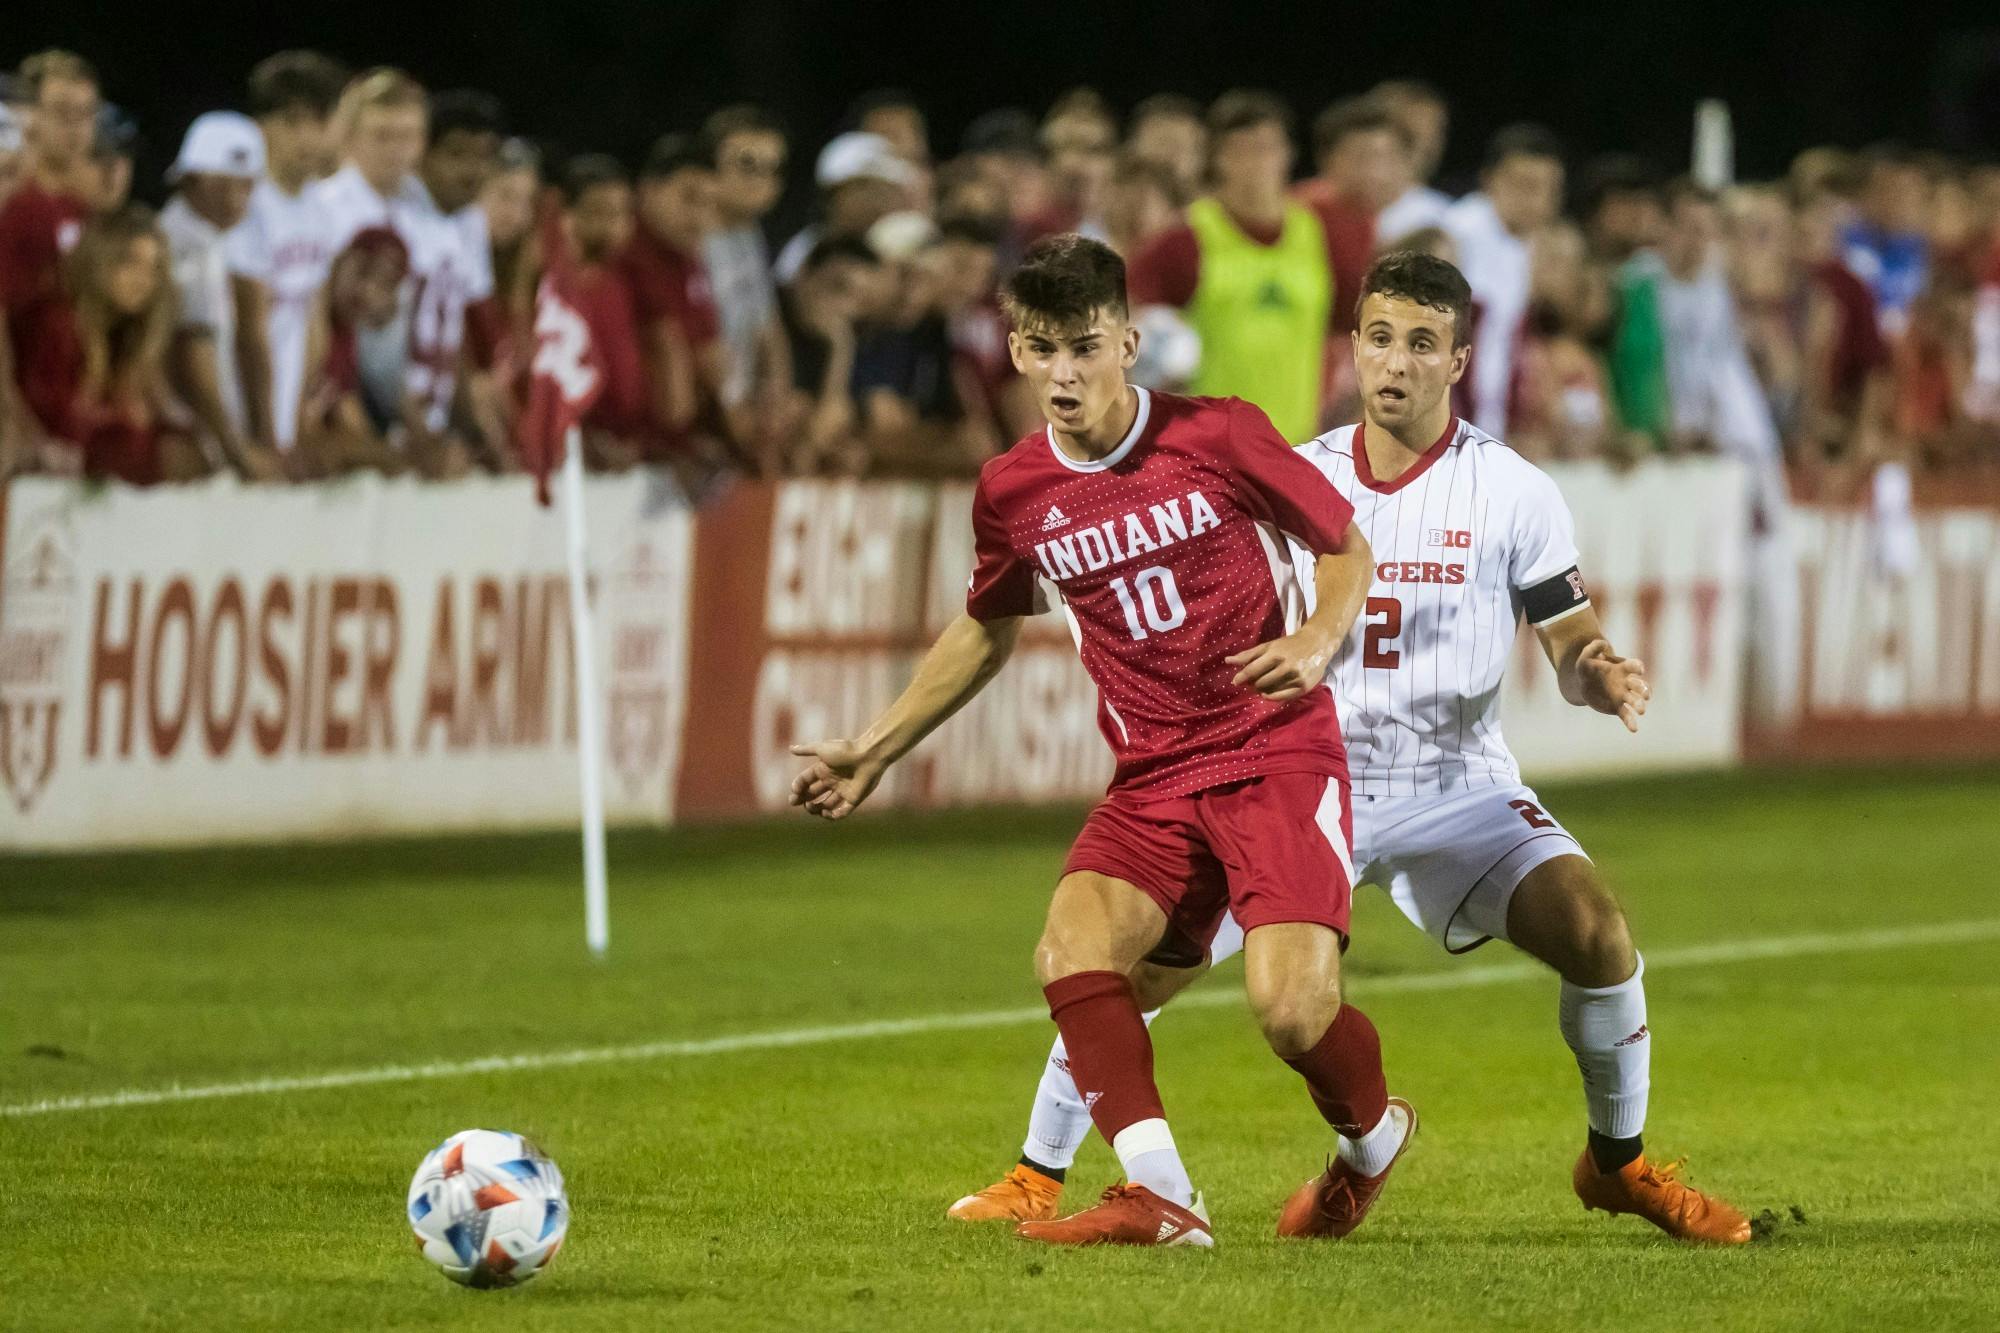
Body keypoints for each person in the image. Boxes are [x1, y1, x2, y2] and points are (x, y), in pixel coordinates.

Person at [949, 251, 1753, 1247]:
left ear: (1458, 359)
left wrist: (1595, 669)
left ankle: (1619, 1164)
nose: (1394, 361)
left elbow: (1566, 629)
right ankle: (1039, 1170)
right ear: (1352, 347)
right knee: (1132, 972)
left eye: (1420, 343)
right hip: (1291, 767)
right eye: (1377, 337)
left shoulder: (1512, 489)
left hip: (1452, 783)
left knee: (1594, 930)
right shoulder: (1300, 466)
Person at [790, 234, 1401, 1249]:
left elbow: (1343, 543)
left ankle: (1372, 1140)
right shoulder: (1012, 489)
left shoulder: (1218, 435)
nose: (1063, 372)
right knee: (1072, 949)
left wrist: (1313, 638)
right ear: (1016, 352)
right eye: (1040, 348)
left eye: (1083, 346)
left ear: (1127, 340)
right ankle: (1161, 1195)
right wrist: (876, 744)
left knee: (1291, 1015)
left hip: (1272, 751)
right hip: (1153, 775)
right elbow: (987, 623)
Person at [1126, 90, 1360, 441]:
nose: (1257, 162)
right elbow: (1129, 317)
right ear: (1217, 159)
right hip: (1209, 448)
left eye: (1267, 148)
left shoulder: (1320, 233)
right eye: (1242, 151)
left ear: (1288, 155)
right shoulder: (1187, 238)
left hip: (1297, 446)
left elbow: (1352, 331)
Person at [13, 203, 197, 484]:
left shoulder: (131, 337)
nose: (143, 280)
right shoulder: (59, 325)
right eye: (130, 262)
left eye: (153, 268)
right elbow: (54, 423)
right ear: (101, 259)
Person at [231, 50, 346, 464]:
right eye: (293, 123)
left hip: (282, 430)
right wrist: (263, 437)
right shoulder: (243, 204)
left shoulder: (320, 208)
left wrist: (295, 426)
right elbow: (249, 331)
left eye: (320, 123)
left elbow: (312, 320)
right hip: (238, 429)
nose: (308, 139)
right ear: (260, 127)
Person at [159, 111, 280, 480]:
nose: (236, 198)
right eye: (223, 184)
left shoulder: (214, 240)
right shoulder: (182, 244)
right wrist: (235, 448)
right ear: (190, 180)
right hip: (199, 442)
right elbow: (193, 357)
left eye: (245, 186)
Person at [0, 50, 100, 470]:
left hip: (71, 419)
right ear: (30, 119)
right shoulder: (14, 208)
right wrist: (15, 420)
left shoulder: (87, 209)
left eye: (85, 113)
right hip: (22, 423)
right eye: (61, 112)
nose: (75, 128)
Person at [617, 132, 731, 470]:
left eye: (711, 205)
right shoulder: (624, 252)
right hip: (628, 443)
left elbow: (710, 358)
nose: (700, 217)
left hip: (674, 443)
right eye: (689, 198)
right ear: (648, 190)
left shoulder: (689, 260)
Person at [702, 104, 790, 433]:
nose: (761, 181)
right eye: (746, 165)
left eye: (772, 168)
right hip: (704, 415)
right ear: (709, 167)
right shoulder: (690, 239)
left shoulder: (749, 235)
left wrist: (776, 402)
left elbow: (767, 328)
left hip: (741, 416)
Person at [554, 153, 646, 460]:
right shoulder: (551, 288)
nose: (614, 226)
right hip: (576, 453)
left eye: (621, 213)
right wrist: (588, 438)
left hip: (623, 449)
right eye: (600, 213)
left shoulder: (620, 281)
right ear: (567, 217)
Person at [772, 235, 877, 473]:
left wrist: (842, 348)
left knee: (851, 458)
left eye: (859, 300)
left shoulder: (831, 338)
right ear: (804, 273)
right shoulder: (770, 315)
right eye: (837, 287)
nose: (843, 306)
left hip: (792, 450)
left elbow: (830, 421)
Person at [773, 131, 915, 282]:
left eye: (886, 191)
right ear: (834, 194)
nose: (879, 202)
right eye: (865, 189)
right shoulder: (803, 252)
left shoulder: (899, 250)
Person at [1369, 80, 1453, 244]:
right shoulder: (1324, 206)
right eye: (1411, 132)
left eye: (1436, 130)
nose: (1427, 142)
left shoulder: (1446, 216)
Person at [1124, 94, 1206, 205]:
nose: (1169, 158)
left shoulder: (1224, 218)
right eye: (1162, 144)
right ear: (1131, 152)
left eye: (1180, 147)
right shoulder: (1105, 216)